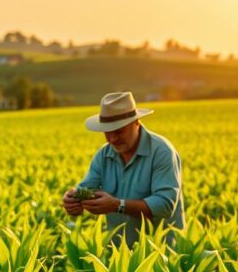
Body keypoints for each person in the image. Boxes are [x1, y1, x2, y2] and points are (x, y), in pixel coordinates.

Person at [63, 91, 184, 245]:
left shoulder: (162, 152)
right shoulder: (103, 155)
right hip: (118, 254)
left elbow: (164, 205)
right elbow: (87, 190)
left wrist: (117, 205)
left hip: (161, 253)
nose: (113, 139)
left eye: (119, 131)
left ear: (136, 123)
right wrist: (74, 201)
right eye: (107, 133)